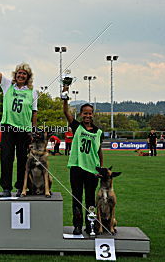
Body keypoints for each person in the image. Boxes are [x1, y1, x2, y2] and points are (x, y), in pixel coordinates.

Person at [0, 42, 38, 197]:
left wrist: (33, 131)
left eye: (24, 74)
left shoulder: (32, 92)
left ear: (28, 77)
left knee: (23, 161)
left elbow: (34, 113)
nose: (20, 76)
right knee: (6, 159)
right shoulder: (8, 85)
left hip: (24, 130)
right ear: (15, 75)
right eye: (19, 73)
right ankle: (6, 188)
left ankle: (21, 187)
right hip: (8, 127)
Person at [63, 86, 103, 235]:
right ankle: (77, 225)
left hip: (92, 169)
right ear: (81, 114)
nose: (87, 115)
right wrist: (65, 94)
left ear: (93, 115)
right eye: (85, 113)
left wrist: (101, 169)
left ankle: (90, 225)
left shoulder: (99, 132)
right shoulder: (77, 127)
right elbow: (66, 112)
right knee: (77, 197)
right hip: (77, 167)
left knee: (91, 200)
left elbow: (99, 151)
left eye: (90, 113)